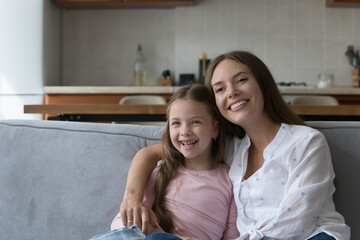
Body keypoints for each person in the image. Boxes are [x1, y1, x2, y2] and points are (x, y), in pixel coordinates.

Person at [119, 51, 351, 240]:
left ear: (262, 82)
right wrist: (132, 196)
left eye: (241, 80)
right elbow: (150, 154)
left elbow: (298, 218)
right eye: (220, 89)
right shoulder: (231, 149)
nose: (232, 92)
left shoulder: (307, 142)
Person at [89, 84, 240, 240]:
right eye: (176, 123)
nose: (184, 131)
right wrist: (149, 228)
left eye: (195, 122)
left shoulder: (232, 182)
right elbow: (123, 225)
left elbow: (233, 236)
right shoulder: (161, 169)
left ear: (215, 128)